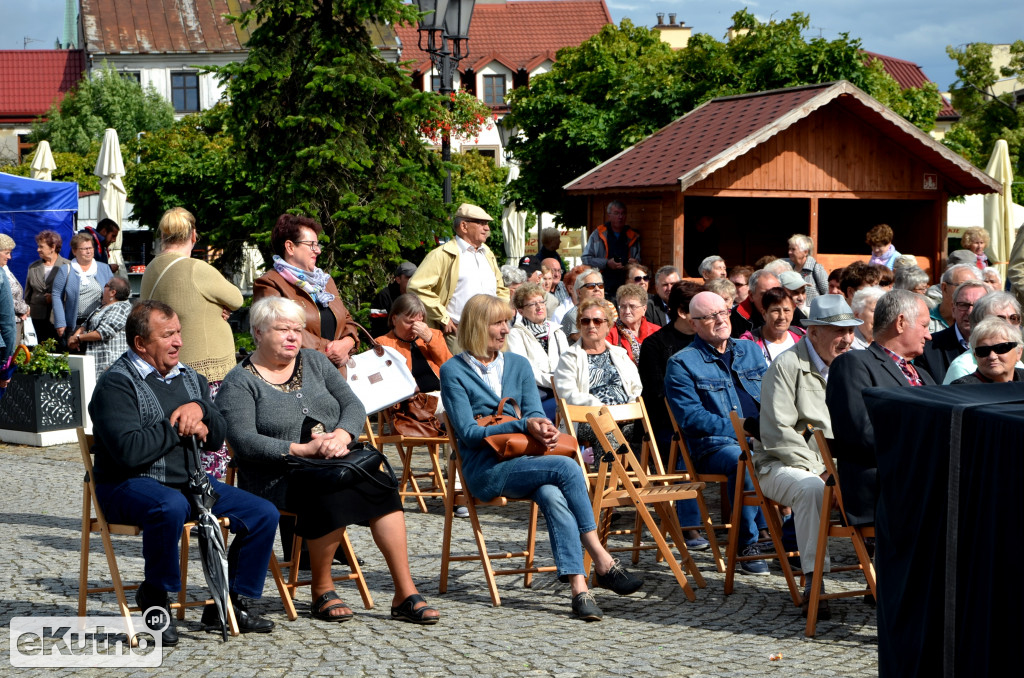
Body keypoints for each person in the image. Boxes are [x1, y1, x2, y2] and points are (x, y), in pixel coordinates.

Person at [217, 297, 441, 625]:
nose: (294, 336)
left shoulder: (315, 362)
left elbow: (352, 404)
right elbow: (245, 442)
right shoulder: (240, 381)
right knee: (330, 489)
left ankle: (404, 593)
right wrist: (301, 449)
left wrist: (343, 436)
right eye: (283, 329)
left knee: (380, 483)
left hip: (337, 459)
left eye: (297, 329)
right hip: (278, 475)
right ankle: (322, 588)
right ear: (259, 332)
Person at [441, 294, 643, 621]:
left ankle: (580, 590)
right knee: (565, 465)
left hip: (528, 459)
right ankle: (602, 560)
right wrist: (522, 423)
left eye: (507, 321)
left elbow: (535, 410)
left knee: (552, 492)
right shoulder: (453, 371)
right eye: (498, 323)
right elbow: (467, 433)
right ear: (478, 326)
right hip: (486, 470)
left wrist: (543, 427)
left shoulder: (517, 365)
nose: (506, 329)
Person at [90, 301, 279, 644]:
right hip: (127, 486)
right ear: (140, 344)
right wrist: (180, 423)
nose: (178, 341)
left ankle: (231, 602)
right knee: (169, 507)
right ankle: (155, 599)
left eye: (178, 333)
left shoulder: (191, 377)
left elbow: (217, 436)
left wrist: (201, 410)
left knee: (262, 513)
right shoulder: (115, 385)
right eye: (167, 335)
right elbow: (129, 452)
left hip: (190, 484)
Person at [758, 294, 862, 619]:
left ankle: (884, 578)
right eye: (837, 330)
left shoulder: (854, 366)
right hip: (783, 465)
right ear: (813, 332)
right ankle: (815, 582)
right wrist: (821, 470)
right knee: (811, 489)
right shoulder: (786, 366)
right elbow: (778, 433)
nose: (846, 338)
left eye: (850, 330)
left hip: (839, 466)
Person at [665, 291, 769, 574]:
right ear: (694, 323)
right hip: (713, 446)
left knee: (811, 456)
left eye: (723, 312)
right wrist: (743, 428)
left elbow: (773, 396)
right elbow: (692, 419)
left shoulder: (751, 350)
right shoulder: (682, 363)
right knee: (743, 459)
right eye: (710, 317)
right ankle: (747, 543)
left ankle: (794, 539)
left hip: (763, 436)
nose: (721, 320)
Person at [141, 207, 245, 477]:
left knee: (186, 438)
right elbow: (236, 298)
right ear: (194, 235)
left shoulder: (152, 268)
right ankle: (210, 502)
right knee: (211, 440)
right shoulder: (197, 269)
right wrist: (222, 305)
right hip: (208, 371)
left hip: (170, 367)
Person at [826, 289, 935, 526]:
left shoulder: (924, 374)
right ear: (901, 322)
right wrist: (925, 448)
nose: (929, 336)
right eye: (925, 326)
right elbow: (860, 432)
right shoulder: (854, 364)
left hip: (925, 481)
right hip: (886, 485)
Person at [636, 280, 709, 550]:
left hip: (706, 420)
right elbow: (655, 393)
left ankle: (755, 527)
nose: (708, 319)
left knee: (746, 449)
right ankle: (688, 525)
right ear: (682, 312)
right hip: (667, 424)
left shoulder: (708, 340)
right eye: (700, 312)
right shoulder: (656, 344)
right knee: (683, 445)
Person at [253, 213, 358, 369]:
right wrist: (331, 349)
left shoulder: (325, 281)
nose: (318, 251)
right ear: (290, 247)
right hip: (298, 374)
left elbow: (347, 319)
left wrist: (347, 342)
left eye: (318, 245)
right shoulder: (270, 284)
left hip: (336, 375)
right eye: (311, 245)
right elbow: (279, 331)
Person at [408, 203, 509, 354]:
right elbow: (416, 286)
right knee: (462, 375)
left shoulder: (487, 253)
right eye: (481, 223)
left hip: (491, 331)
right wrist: (443, 317)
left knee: (497, 374)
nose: (487, 228)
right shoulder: (442, 254)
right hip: (459, 332)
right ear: (464, 226)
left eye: (487, 224)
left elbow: (500, 288)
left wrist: (502, 314)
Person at [554, 298, 644, 451]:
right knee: (608, 431)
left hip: (624, 417)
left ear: (608, 325)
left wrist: (628, 409)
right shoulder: (569, 357)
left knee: (643, 431)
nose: (591, 325)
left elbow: (636, 387)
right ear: (579, 325)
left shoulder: (619, 354)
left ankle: (642, 473)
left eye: (597, 321)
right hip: (587, 419)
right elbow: (567, 393)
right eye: (585, 321)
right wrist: (602, 409)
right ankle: (608, 475)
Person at [505, 283, 569, 421]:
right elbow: (526, 370)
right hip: (535, 396)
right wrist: (554, 380)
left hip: (561, 391)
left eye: (541, 302)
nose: (539, 307)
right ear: (521, 311)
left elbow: (569, 364)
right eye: (532, 304)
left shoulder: (557, 331)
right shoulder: (515, 334)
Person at [916, 280, 990, 383]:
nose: (970, 312)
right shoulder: (929, 349)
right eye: (964, 305)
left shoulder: (1002, 348)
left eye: (978, 306)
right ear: (953, 309)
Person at [942, 292, 1023, 383]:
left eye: (1014, 318)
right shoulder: (962, 369)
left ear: (1019, 352)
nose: (1009, 325)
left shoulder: (1018, 368)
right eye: (999, 321)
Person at [52, 232, 115, 342]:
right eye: (84, 249)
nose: (89, 251)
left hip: (98, 325)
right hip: (74, 325)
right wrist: (60, 322)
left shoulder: (104, 269)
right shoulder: (66, 269)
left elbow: (114, 294)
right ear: (74, 251)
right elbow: (56, 295)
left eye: (90, 248)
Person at [66, 277, 132, 372]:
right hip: (95, 361)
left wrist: (78, 338)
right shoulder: (102, 307)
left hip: (109, 364)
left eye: (106, 285)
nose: (102, 287)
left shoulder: (121, 308)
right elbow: (85, 324)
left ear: (113, 292)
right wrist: (74, 339)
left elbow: (102, 332)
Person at [581, 201, 640, 298]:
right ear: (609, 215)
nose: (620, 217)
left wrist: (633, 263)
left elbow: (639, 261)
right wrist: (607, 263)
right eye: (616, 213)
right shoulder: (598, 234)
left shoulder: (632, 235)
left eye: (623, 213)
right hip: (602, 285)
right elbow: (586, 258)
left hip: (626, 286)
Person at [739, 287, 805, 366]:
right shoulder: (748, 343)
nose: (782, 317)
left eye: (786, 310)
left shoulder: (802, 337)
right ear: (764, 313)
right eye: (775, 311)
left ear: (793, 311)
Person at [24, 230, 69, 344]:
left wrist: (54, 298)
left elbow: (71, 293)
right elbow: (28, 294)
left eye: (41, 246)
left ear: (52, 247)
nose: (38, 249)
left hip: (59, 318)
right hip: (37, 318)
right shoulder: (33, 267)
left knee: (60, 350)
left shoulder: (68, 266)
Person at [949, 317, 1024, 384]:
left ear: (1019, 352)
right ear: (975, 356)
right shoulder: (963, 388)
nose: (992, 356)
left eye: (1001, 348)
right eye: (983, 350)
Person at [607, 284, 659, 364]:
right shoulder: (610, 332)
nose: (627, 311)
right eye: (623, 307)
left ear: (644, 309)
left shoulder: (657, 332)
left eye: (632, 306)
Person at [928, 263, 981, 333]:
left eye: (972, 287)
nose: (968, 292)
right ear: (944, 288)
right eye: (962, 286)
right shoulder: (925, 318)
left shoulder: (980, 320)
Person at [369, 261, 417, 337]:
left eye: (415, 277)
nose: (412, 280)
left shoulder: (418, 295)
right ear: (398, 279)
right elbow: (376, 324)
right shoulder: (383, 296)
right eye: (408, 277)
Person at [730, 269, 780, 338]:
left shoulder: (791, 311)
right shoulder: (735, 317)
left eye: (776, 293)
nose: (771, 298)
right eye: (765, 294)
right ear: (751, 295)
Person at [0, 234, 31, 345]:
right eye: (6, 253)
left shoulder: (5, 269)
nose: (9, 257)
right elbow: (5, 298)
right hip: (4, 326)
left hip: (14, 322)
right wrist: (24, 308)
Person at [561, 269, 606, 343]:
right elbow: (590, 343)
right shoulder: (574, 315)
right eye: (591, 286)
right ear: (579, 292)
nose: (597, 289)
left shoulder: (608, 311)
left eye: (600, 285)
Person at [785, 234, 829, 301]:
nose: (789, 252)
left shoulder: (816, 268)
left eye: (793, 249)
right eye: (789, 249)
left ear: (805, 252)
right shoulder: (788, 268)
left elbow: (827, 292)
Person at [850, 286, 885, 350]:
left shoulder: (888, 341)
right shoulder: (848, 344)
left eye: (882, 311)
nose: (880, 316)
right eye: (874, 311)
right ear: (857, 314)